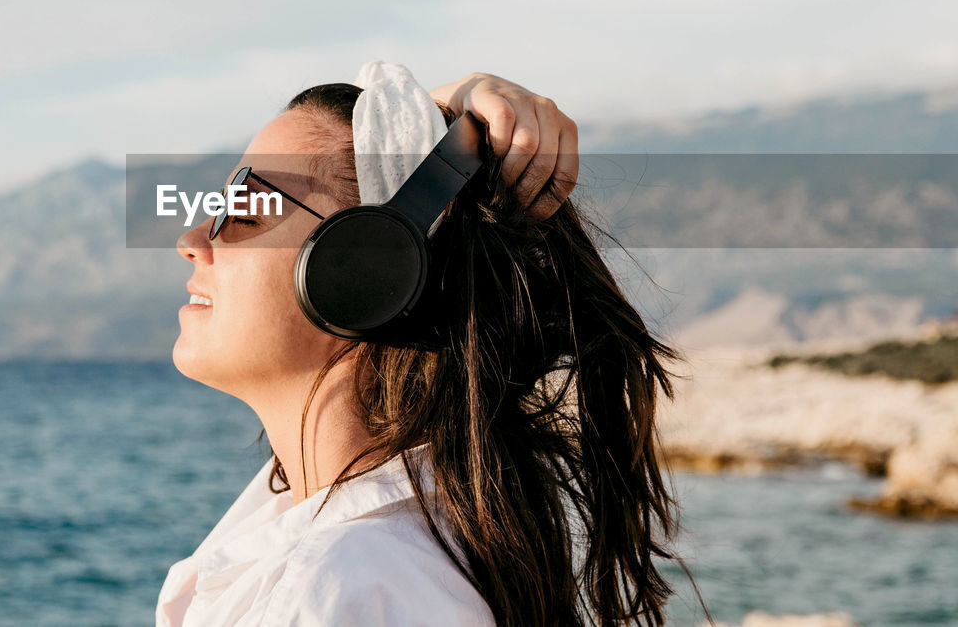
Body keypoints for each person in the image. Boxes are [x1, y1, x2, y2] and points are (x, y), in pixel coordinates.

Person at [158, 67, 681, 626]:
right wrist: (456, 112)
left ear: (368, 262)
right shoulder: (397, 539)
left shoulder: (332, 591)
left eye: (244, 208)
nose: (191, 241)